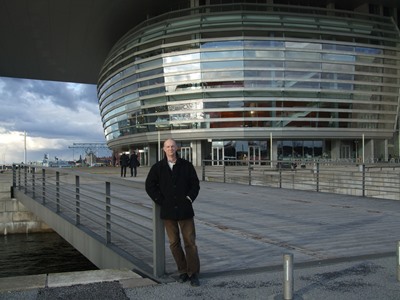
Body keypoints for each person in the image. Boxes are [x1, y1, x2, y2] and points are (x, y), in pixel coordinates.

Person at [145, 138, 201, 287]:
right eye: (167, 147)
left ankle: (193, 272)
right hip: (168, 211)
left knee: (190, 242)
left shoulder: (186, 166)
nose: (170, 149)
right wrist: (160, 200)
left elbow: (195, 184)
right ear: (164, 149)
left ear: (177, 148)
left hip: (185, 210)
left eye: (172, 146)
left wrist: (189, 198)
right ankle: (182, 271)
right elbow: (149, 186)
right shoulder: (158, 168)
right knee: (174, 243)